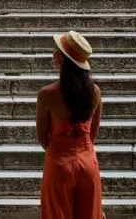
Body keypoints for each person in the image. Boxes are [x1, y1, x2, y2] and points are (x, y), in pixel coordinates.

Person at [37, 31, 103, 219]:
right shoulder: (95, 92)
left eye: (57, 51)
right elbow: (93, 135)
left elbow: (43, 138)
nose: (53, 54)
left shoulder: (47, 95)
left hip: (58, 163)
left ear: (64, 61)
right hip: (87, 163)